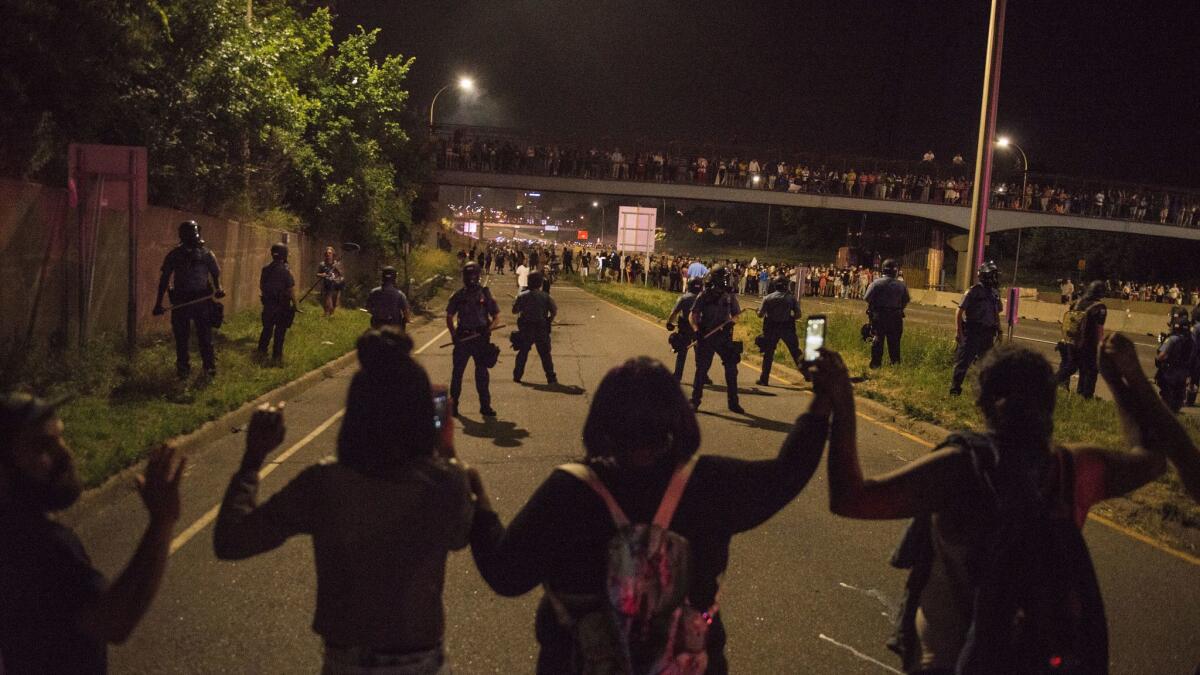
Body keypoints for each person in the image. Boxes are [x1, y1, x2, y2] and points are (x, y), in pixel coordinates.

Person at [826, 337, 1183, 673]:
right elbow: (1152, 459)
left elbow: (852, 499)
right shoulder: (1074, 470)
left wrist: (842, 399)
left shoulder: (959, 468)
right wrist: (1122, 379)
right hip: (1034, 659)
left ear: (981, 402)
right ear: (1050, 404)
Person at [467, 354, 838, 674]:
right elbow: (787, 472)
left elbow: (507, 575)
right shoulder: (708, 483)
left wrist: (480, 507)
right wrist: (822, 402)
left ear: (602, 419)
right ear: (676, 418)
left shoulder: (570, 491)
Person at [214, 329, 474, 675]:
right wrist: (448, 451)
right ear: (421, 416)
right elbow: (460, 535)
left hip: (346, 661)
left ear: (355, 413)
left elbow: (233, 541)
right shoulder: (442, 484)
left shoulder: (325, 483)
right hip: (420, 659)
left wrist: (252, 459)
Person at [1, 392, 185, 674]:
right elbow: (114, 620)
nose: (66, 454)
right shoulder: (43, 546)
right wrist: (162, 522)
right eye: (43, 447)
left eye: (60, 438)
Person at [153, 220, 224, 378]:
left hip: (202, 300)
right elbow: (165, 279)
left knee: (205, 337)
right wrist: (158, 303)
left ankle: (209, 368)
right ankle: (183, 371)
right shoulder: (174, 255)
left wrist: (219, 288)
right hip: (181, 301)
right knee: (181, 338)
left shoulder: (206, 254)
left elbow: (215, 273)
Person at [446, 262, 501, 417]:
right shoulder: (458, 295)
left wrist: (487, 329)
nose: (471, 278)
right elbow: (449, 316)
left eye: (473, 275)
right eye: (468, 275)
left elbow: (496, 317)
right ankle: (454, 405)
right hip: (463, 338)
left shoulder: (485, 293)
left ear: (478, 276)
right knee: (457, 374)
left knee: (481, 374)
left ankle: (485, 406)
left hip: (480, 338)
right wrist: (453, 335)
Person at [689, 265, 744, 414]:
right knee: (701, 370)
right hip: (706, 336)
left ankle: (733, 403)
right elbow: (693, 315)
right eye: (723, 277)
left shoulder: (729, 296)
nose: (726, 280)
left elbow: (736, 315)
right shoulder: (704, 295)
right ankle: (694, 401)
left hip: (723, 336)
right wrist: (696, 330)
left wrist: (730, 323)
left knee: (732, 369)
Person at [949, 261, 1003, 396]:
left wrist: (999, 330)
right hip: (973, 332)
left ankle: (983, 392)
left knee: (986, 363)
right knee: (963, 362)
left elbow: (996, 312)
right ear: (985, 275)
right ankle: (955, 389)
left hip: (988, 333)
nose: (995, 279)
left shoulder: (994, 292)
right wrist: (959, 332)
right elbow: (959, 311)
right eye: (992, 275)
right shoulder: (973, 291)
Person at [1056, 280, 1107, 398]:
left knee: (1070, 367)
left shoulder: (1076, 303)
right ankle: (1084, 397)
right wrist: (1101, 347)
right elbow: (1099, 330)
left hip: (1071, 341)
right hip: (1088, 344)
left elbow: (1070, 322)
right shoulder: (1100, 307)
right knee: (1091, 370)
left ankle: (1050, 383)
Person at [512, 270, 558, 385]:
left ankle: (517, 375)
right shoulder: (545, 296)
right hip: (541, 328)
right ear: (540, 283)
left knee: (523, 352)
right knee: (545, 354)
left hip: (526, 328)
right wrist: (549, 320)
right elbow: (554, 310)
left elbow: (515, 310)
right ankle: (551, 377)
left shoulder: (523, 296)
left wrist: (518, 302)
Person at [864, 258, 910, 369]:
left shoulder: (876, 283)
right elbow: (906, 300)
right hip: (896, 316)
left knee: (878, 340)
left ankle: (876, 364)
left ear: (883, 270)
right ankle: (895, 364)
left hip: (879, 315)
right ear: (895, 271)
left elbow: (867, 298)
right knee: (894, 341)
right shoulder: (901, 285)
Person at [755, 276, 802, 385]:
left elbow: (760, 315)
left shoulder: (768, 298)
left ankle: (764, 379)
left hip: (771, 328)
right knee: (796, 352)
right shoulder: (791, 298)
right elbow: (798, 315)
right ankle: (808, 375)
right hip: (787, 328)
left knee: (768, 354)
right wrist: (790, 318)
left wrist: (757, 311)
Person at [257, 243, 296, 364]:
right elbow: (290, 289)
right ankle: (276, 356)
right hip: (282, 305)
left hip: (268, 304)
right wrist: (295, 304)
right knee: (280, 332)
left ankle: (261, 352)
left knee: (267, 329)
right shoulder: (286, 270)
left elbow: (261, 286)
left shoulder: (266, 269)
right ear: (284, 255)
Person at [1155, 306, 1193, 413]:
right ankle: (1174, 409)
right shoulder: (1190, 339)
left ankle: (1166, 410)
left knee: (1167, 391)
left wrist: (1158, 359)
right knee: (1178, 392)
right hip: (1184, 370)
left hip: (1171, 370)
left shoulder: (1173, 339)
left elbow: (1162, 355)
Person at [665, 277, 704, 382]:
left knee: (682, 353)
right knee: (699, 354)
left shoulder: (684, 298)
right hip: (699, 328)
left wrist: (669, 323)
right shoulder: (703, 298)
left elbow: (674, 312)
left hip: (685, 328)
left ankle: (677, 376)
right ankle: (703, 376)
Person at [365, 266, 411, 331]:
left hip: (378, 325)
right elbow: (406, 311)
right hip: (394, 326)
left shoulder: (373, 292)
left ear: (382, 277)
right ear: (394, 278)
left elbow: (368, 309)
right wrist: (407, 319)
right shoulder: (399, 294)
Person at [317, 247, 344, 317]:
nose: (328, 255)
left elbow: (341, 274)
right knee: (327, 300)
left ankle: (331, 315)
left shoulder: (337, 264)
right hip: (326, 285)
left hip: (335, 285)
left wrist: (337, 268)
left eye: (329, 253)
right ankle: (326, 314)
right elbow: (317, 274)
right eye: (326, 253)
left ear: (333, 254)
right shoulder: (322, 264)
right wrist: (322, 274)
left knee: (334, 301)